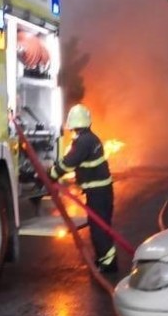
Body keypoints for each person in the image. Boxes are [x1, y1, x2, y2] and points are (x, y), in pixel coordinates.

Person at [49, 104, 117, 273]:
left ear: (73, 124)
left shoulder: (83, 142)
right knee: (103, 225)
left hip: (98, 192)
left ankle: (108, 264)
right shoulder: (90, 138)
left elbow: (69, 162)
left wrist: (51, 173)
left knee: (98, 228)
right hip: (102, 190)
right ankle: (106, 259)